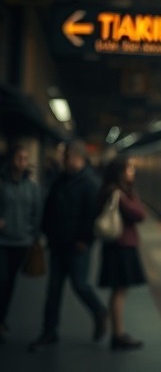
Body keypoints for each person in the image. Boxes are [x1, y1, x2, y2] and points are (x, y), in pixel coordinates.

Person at [29, 139, 107, 351]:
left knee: (80, 284)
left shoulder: (90, 182)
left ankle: (99, 310)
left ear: (74, 157)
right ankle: (49, 331)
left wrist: (85, 240)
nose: (60, 159)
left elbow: (93, 216)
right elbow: (50, 207)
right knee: (53, 289)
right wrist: (45, 232)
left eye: (63, 156)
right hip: (58, 243)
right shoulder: (62, 179)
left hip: (77, 245)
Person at [96, 155, 147, 350]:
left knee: (119, 290)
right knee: (119, 290)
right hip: (121, 247)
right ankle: (118, 335)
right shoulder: (117, 193)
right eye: (129, 169)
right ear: (120, 173)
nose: (132, 172)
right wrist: (131, 193)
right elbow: (139, 214)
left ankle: (118, 332)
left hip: (116, 246)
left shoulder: (109, 190)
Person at [0, 144, 43, 343]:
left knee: (9, 282)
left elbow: (37, 211)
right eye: (19, 158)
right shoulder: (2, 182)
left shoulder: (32, 186)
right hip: (2, 240)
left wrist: (33, 234)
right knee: (2, 279)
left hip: (22, 242)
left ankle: (2, 319)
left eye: (25, 158)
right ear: (11, 160)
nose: (22, 162)